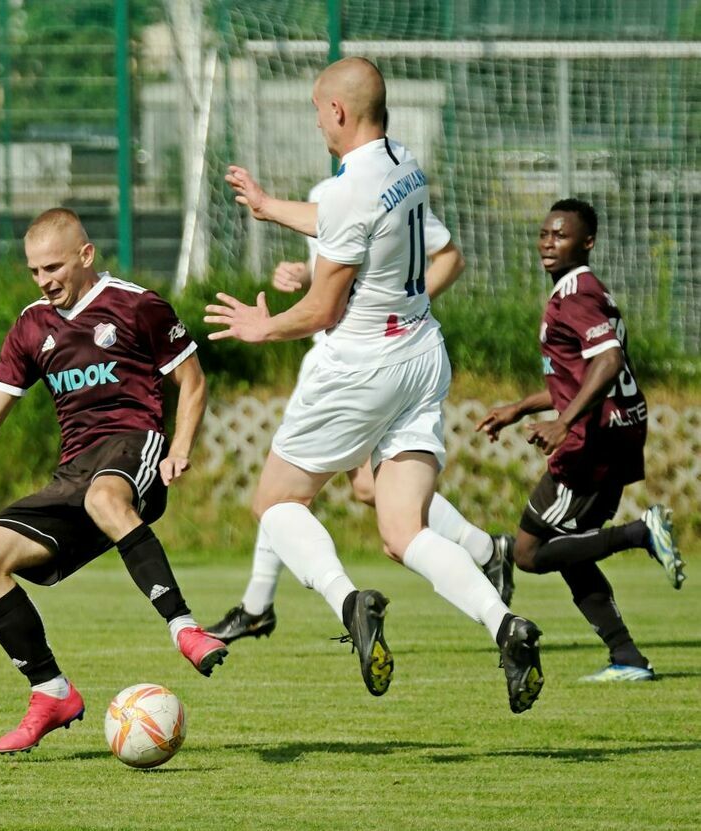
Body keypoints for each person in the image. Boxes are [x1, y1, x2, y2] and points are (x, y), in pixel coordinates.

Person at [204, 57, 544, 713]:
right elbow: (353, 222)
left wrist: (261, 326)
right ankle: (504, 623)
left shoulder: (345, 190)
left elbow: (323, 310)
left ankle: (348, 602)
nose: (315, 121)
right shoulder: (402, 161)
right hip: (421, 355)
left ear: (336, 112)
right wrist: (272, 206)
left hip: (359, 366)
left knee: (277, 502)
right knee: (401, 528)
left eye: (315, 109)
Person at [0, 208, 227, 754]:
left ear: (86, 256)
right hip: (74, 471)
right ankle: (51, 691)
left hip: (135, 445)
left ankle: (183, 626)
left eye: (54, 267)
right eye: (35, 271)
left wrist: (180, 446)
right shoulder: (31, 326)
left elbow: (192, 379)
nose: (44, 281)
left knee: (104, 494)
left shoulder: (139, 306)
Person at [207, 174, 515, 645]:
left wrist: (400, 315)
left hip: (356, 367)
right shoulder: (331, 194)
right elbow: (349, 267)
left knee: (282, 493)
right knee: (369, 489)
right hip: (351, 360)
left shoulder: (388, 189)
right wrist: (304, 273)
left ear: (339, 115)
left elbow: (448, 258)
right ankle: (484, 550)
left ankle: (262, 605)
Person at [476, 199, 685, 682]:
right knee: (572, 548)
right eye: (545, 234)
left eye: (561, 235)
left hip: (591, 442)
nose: (549, 243)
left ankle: (639, 534)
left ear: (586, 242)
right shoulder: (586, 290)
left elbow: (608, 363)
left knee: (528, 552)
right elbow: (577, 374)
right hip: (616, 432)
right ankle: (627, 657)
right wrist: (520, 409)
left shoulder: (575, 296)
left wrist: (564, 423)